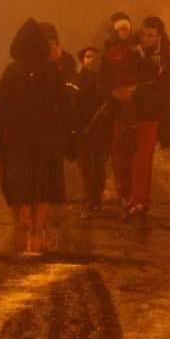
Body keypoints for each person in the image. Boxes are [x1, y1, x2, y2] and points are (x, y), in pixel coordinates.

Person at [0, 18, 70, 254]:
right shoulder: (52, 71)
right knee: (44, 186)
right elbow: (64, 107)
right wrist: (65, 136)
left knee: (18, 184)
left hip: (16, 137)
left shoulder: (10, 71)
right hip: (46, 137)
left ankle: (22, 218)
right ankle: (38, 230)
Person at [109, 16, 170, 230]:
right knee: (120, 158)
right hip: (122, 114)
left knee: (142, 160)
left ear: (159, 37)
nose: (145, 38)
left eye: (151, 35)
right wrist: (115, 92)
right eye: (143, 33)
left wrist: (140, 93)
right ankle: (125, 195)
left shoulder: (166, 59)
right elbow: (108, 76)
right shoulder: (125, 51)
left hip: (149, 116)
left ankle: (139, 201)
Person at [71, 47, 109, 219]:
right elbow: (71, 105)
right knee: (86, 167)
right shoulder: (77, 80)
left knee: (100, 165)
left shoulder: (104, 81)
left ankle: (96, 199)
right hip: (83, 129)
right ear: (82, 59)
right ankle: (87, 200)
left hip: (101, 130)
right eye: (88, 57)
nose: (91, 60)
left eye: (94, 57)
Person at [101, 12, 139, 152]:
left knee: (131, 110)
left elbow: (136, 69)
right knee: (124, 112)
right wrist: (113, 90)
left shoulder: (132, 48)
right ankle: (123, 138)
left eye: (127, 28)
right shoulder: (109, 51)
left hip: (130, 88)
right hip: (117, 90)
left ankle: (127, 137)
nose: (125, 31)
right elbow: (105, 75)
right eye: (121, 28)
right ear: (114, 30)